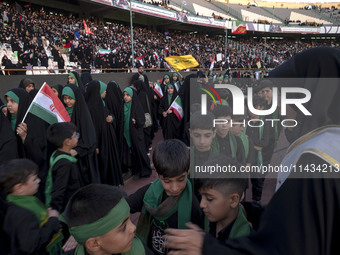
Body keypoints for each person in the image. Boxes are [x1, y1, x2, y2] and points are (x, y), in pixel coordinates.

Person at [163, 47, 340, 255]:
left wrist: (206, 247)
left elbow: (282, 247)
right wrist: (252, 211)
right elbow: (301, 222)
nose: (280, 107)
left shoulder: (320, 157)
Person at [126, 139, 202, 255]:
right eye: (167, 181)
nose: (175, 188)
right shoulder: (148, 192)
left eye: (181, 179)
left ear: (188, 170)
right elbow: (124, 207)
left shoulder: (195, 202)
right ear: (157, 173)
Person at [61, 184, 153, 255]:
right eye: (123, 227)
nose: (133, 227)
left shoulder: (139, 250)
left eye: (129, 219)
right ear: (94, 244)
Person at [0, 159, 62, 255]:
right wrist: (52, 221)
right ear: (19, 188)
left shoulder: (20, 202)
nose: (39, 180)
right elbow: (31, 245)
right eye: (34, 179)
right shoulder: (22, 214)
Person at [198, 156, 251, 243]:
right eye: (201, 196)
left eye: (209, 199)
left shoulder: (246, 244)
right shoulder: (205, 218)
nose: (201, 204)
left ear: (233, 200)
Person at [85, 80, 123, 186]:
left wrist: (111, 119)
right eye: (104, 90)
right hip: (99, 143)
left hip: (107, 140)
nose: (106, 92)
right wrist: (95, 144)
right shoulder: (91, 108)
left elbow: (109, 116)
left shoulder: (102, 103)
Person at [62, 84, 100, 185]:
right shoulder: (62, 112)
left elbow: (89, 137)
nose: (67, 101)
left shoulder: (82, 113)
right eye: (65, 98)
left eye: (70, 98)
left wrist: (78, 150)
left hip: (83, 158)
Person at [45, 122, 81, 213]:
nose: (78, 137)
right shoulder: (65, 164)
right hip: (67, 207)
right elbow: (59, 190)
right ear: (67, 142)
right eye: (75, 135)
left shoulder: (56, 154)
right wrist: (56, 211)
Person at [121, 87, 152, 180]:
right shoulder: (122, 106)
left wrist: (136, 121)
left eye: (128, 95)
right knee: (129, 154)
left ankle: (141, 171)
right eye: (124, 95)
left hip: (136, 135)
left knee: (138, 152)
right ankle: (132, 170)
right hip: (126, 134)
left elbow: (142, 120)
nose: (125, 97)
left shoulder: (136, 106)